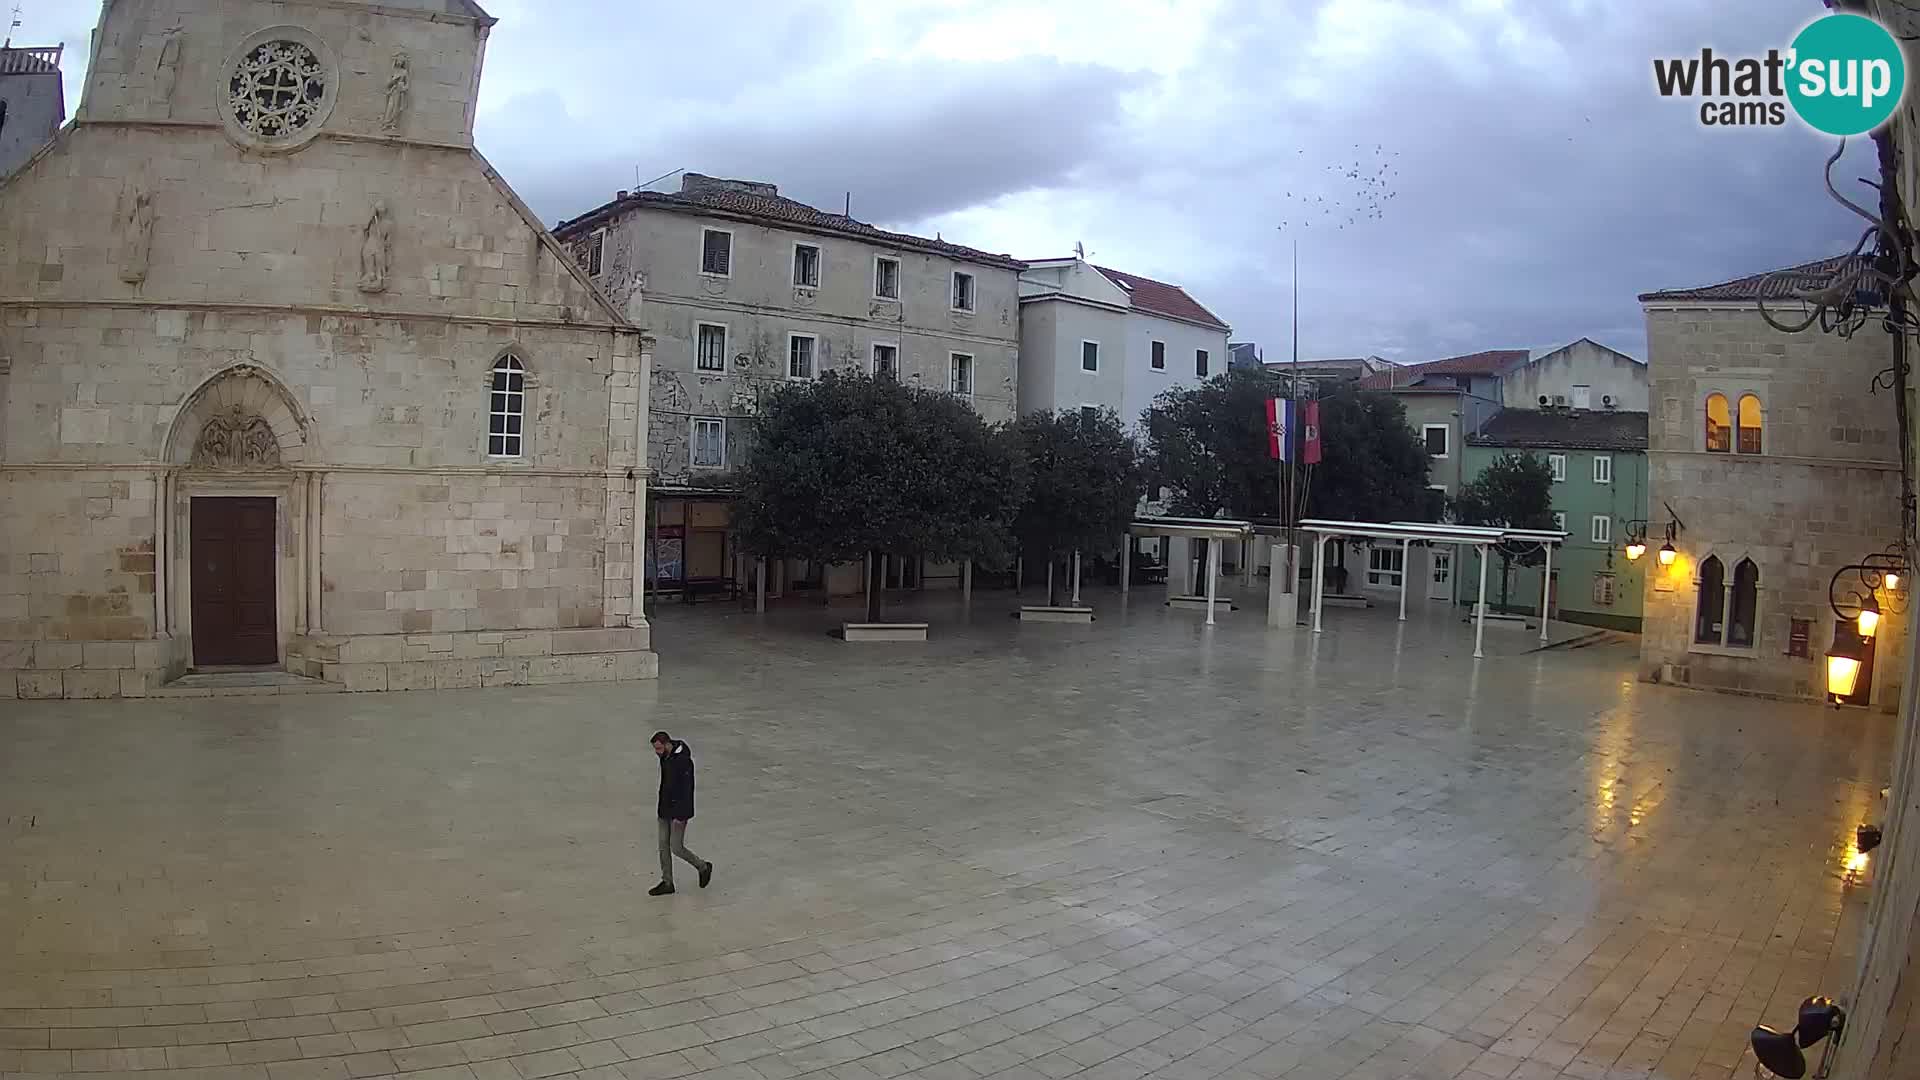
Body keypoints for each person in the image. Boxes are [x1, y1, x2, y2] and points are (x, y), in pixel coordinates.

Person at [649, 731, 713, 896]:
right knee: (663, 845)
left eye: (659, 748)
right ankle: (667, 882)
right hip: (664, 809)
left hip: (679, 812)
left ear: (667, 744)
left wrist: (681, 816)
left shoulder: (683, 761)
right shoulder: (665, 756)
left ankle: (703, 867)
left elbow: (687, 790)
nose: (657, 752)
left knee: (676, 847)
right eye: (655, 749)